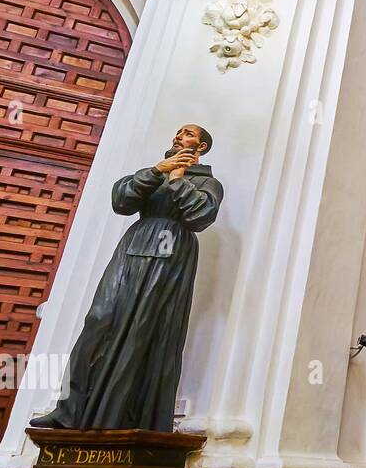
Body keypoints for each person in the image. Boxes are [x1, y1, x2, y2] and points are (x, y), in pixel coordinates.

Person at [31, 124, 223, 431]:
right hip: (134, 246)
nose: (177, 136)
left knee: (144, 330)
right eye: (176, 132)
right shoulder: (153, 172)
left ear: (200, 147)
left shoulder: (208, 182)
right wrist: (158, 171)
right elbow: (122, 201)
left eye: (187, 134)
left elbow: (200, 216)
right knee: (98, 320)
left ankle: (128, 416)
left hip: (171, 252)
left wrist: (177, 182)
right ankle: (70, 410)